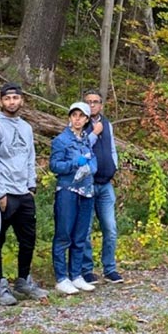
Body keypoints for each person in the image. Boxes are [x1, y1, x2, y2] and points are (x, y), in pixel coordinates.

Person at [0, 82, 48, 306]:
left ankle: (23, 279)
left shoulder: (26, 128)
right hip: (1, 192)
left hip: (23, 192)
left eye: (16, 98)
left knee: (28, 238)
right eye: (7, 98)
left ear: (22, 100)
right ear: (1, 101)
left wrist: (31, 187)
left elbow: (30, 157)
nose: (12, 102)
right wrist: (0, 193)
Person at [50, 102, 98, 295]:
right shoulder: (61, 140)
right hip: (68, 190)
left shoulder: (86, 140)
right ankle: (61, 277)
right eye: (74, 115)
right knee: (64, 234)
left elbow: (93, 160)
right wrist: (74, 164)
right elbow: (55, 165)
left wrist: (91, 166)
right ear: (70, 117)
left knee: (80, 235)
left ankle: (76, 274)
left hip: (86, 191)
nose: (77, 119)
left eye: (81, 116)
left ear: (87, 119)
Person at [80, 89, 124, 284]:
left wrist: (114, 165)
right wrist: (94, 134)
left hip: (106, 185)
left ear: (101, 105)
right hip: (87, 184)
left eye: (95, 102)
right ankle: (87, 270)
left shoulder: (107, 124)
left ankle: (110, 268)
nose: (92, 105)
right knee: (86, 229)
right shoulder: (79, 122)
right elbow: (78, 148)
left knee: (110, 228)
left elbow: (112, 148)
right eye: (88, 102)